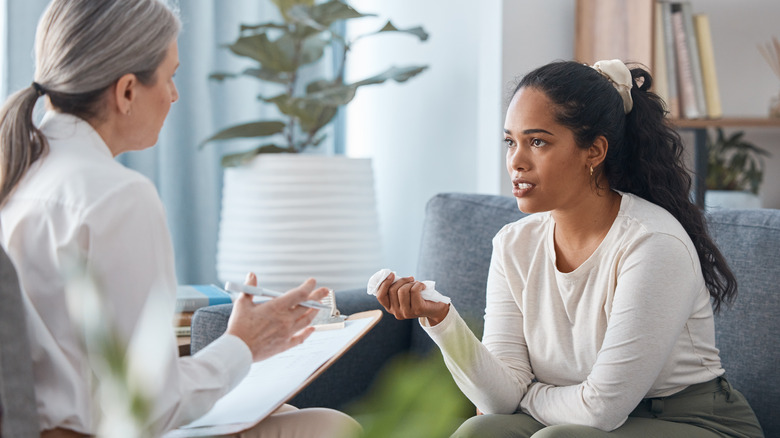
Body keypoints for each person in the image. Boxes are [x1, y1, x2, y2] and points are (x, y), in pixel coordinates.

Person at [0, 1, 361, 437]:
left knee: (285, 414)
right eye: (170, 76)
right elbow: (150, 407)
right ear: (127, 90)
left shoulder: (20, 172)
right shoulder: (118, 196)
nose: (174, 95)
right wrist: (244, 344)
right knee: (331, 427)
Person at [374, 60, 764, 437]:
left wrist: (527, 398)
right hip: (574, 417)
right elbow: (497, 401)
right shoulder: (513, 244)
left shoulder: (652, 243)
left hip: (693, 423)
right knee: (481, 430)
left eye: (537, 142)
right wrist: (441, 320)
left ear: (594, 151)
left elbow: (600, 410)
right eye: (510, 142)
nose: (516, 162)